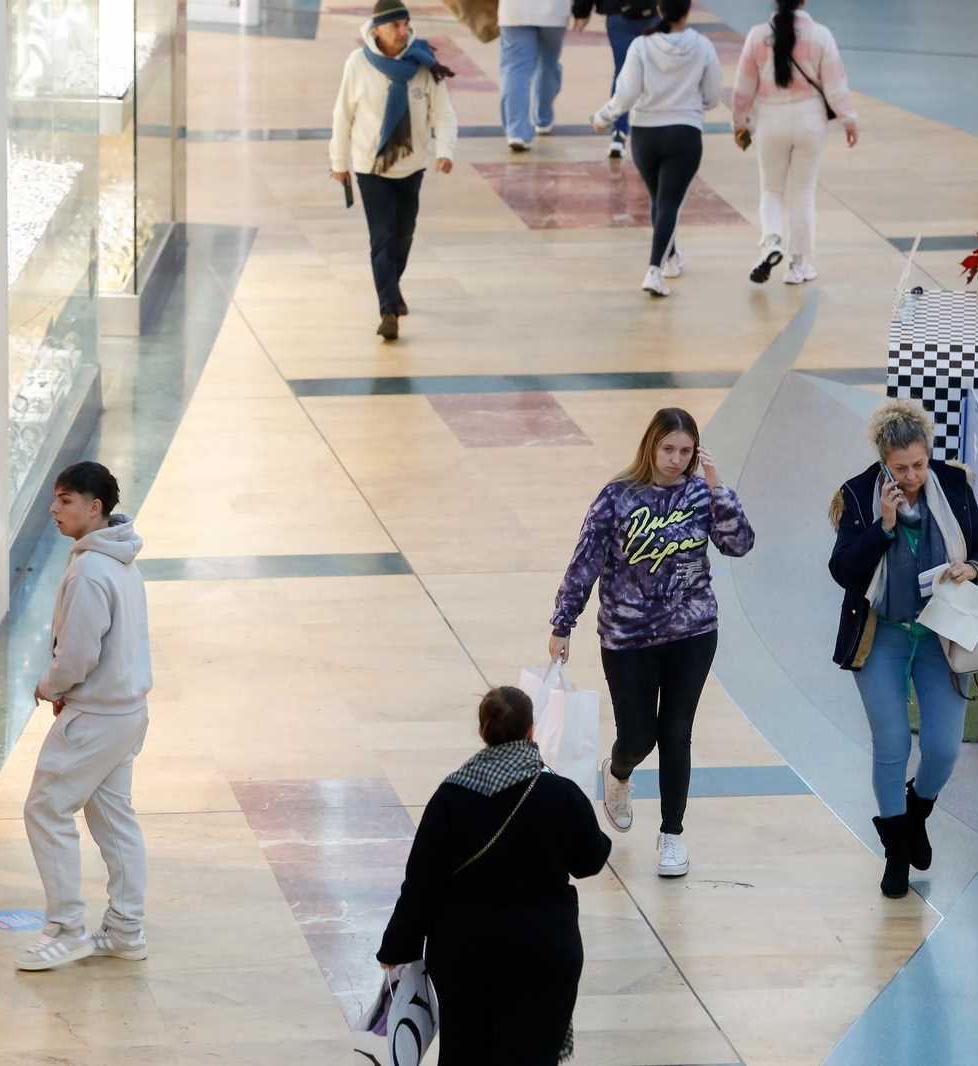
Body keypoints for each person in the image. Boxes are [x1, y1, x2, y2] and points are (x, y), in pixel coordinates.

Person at [549, 408, 754, 878]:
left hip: (694, 632)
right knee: (639, 737)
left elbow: (739, 544)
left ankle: (672, 835)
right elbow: (584, 563)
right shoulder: (617, 497)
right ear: (650, 446)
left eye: (685, 451)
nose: (676, 460)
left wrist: (719, 488)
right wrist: (563, 624)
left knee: (676, 732)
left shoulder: (703, 494)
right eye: (668, 449)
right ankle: (618, 773)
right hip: (628, 637)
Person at [378, 687, 609, 1065]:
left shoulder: (450, 797)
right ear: (531, 732)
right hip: (543, 951)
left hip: (464, 952)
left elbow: (420, 883)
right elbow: (590, 862)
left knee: (465, 1052)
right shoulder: (559, 793)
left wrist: (397, 948)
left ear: (483, 732)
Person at [828, 399, 978, 900]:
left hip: (942, 636)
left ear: (929, 455)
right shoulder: (859, 496)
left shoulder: (955, 486)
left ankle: (915, 811)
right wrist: (882, 526)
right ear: (884, 459)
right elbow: (844, 572)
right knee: (892, 745)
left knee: (944, 750)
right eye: (900, 468)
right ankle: (896, 854)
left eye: (918, 465)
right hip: (880, 635)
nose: (911, 477)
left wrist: (972, 569)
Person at [17, 462, 155, 971]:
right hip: (126, 714)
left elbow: (77, 655)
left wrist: (50, 685)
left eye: (66, 499)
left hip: (95, 719)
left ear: (95, 508)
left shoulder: (91, 569)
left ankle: (66, 927)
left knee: (46, 810)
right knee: (114, 820)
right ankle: (124, 930)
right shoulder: (119, 558)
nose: (54, 509)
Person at [330, 0, 459, 341]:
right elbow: (343, 115)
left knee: (403, 235)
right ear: (376, 30)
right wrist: (338, 163)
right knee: (383, 237)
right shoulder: (357, 64)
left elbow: (443, 114)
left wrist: (445, 151)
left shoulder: (422, 62)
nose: (402, 32)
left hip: (411, 166)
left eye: (405, 24)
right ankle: (388, 309)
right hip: (369, 167)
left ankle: (392, 284)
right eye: (394, 26)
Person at [590, 0, 721, 297]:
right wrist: (690, 107)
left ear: (660, 9)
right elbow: (713, 96)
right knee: (669, 202)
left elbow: (625, 94)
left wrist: (603, 118)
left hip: (645, 136)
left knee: (659, 199)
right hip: (684, 134)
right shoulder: (702, 46)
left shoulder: (641, 46)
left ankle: (672, 257)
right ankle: (654, 270)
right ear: (687, 12)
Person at [731, 0, 859, 285]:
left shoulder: (756, 35)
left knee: (771, 189)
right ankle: (796, 265)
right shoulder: (821, 35)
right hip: (810, 122)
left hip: (770, 121)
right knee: (803, 192)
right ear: (804, 1)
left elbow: (742, 90)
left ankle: (772, 241)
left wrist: (739, 125)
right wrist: (850, 120)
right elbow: (836, 87)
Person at [569, 0, 660, 159]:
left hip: (618, 10)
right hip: (653, 10)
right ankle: (654, 132)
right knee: (654, 72)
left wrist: (581, 11)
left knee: (623, 71)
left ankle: (619, 133)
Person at [498, 0, 568, 151]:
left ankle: (517, 131)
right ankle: (543, 118)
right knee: (548, 65)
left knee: (515, 69)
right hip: (555, 11)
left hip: (514, 10)